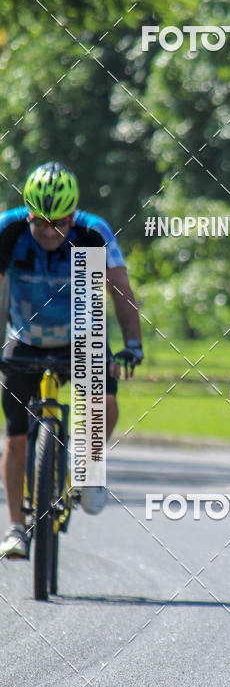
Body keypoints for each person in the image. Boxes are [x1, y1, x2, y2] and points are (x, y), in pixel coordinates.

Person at [0, 162, 143, 558]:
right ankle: (15, 527)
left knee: (106, 402)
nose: (48, 231)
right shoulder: (8, 231)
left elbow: (121, 292)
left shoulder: (92, 232)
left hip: (83, 335)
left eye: (58, 222)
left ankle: (89, 463)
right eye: (40, 222)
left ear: (73, 214)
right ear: (27, 213)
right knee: (13, 434)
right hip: (26, 337)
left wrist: (133, 344)